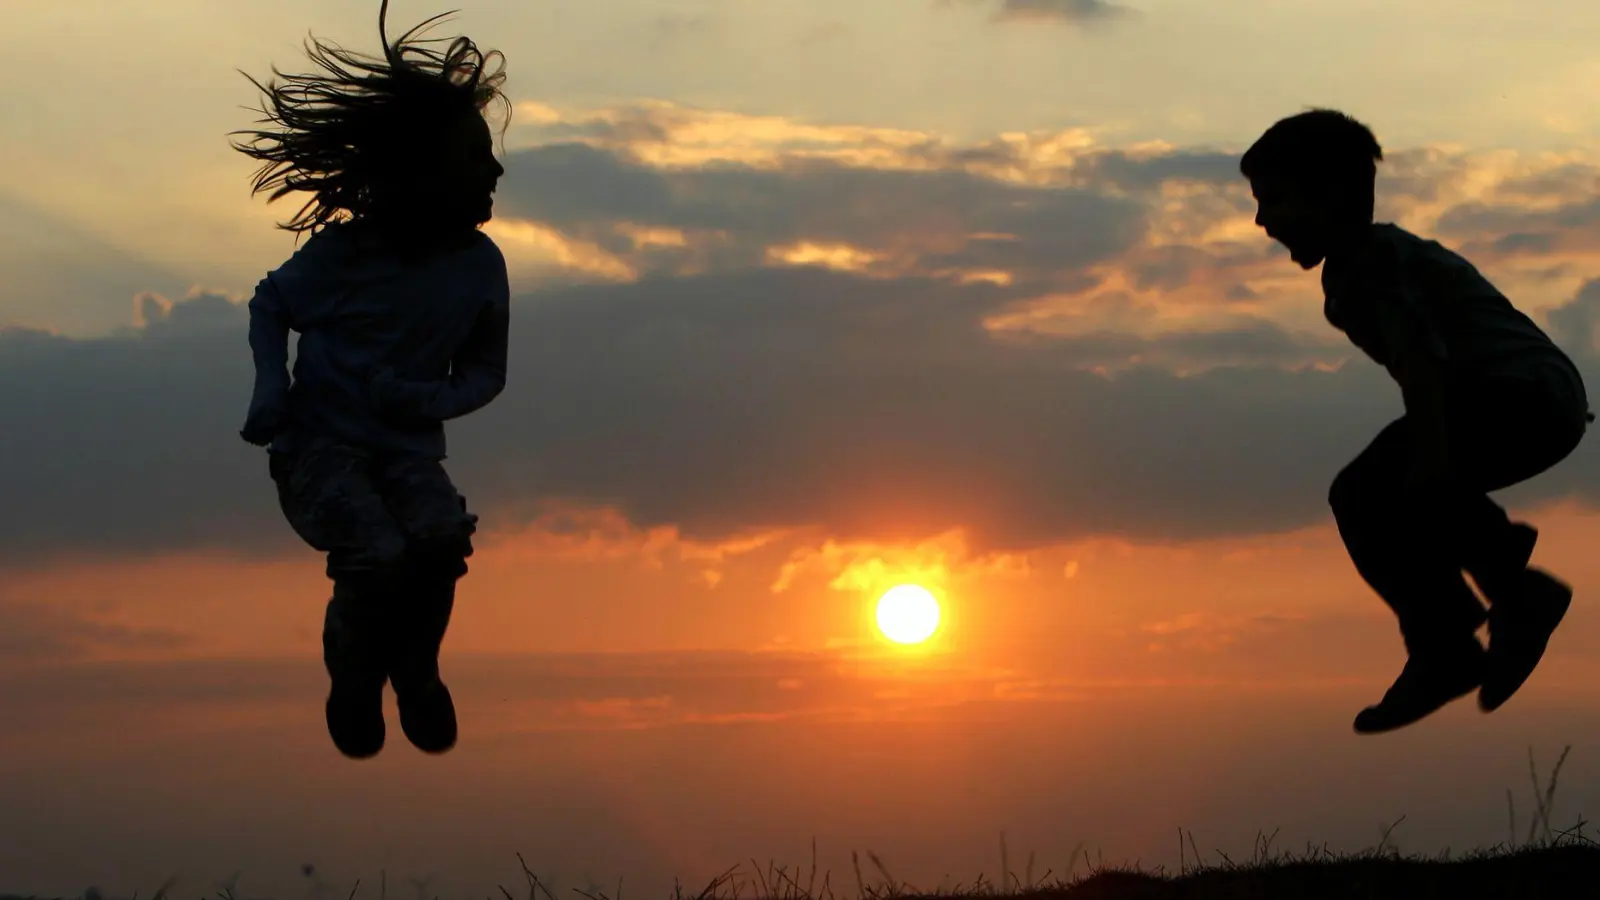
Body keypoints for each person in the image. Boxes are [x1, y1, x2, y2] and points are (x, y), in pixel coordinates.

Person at [1241, 109, 1590, 734]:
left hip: (1514, 396)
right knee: (1401, 491)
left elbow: (1423, 364)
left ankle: (1457, 641)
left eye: (1273, 201)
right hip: (1539, 397)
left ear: (1333, 195)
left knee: (1368, 489)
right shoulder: (1375, 260)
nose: (1262, 220)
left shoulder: (1368, 267)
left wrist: (1432, 459)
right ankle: (1495, 603)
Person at [231, 0, 511, 758]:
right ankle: (355, 679)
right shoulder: (343, 257)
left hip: (407, 452)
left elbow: (487, 369)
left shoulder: (479, 268)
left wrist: (429, 399)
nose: (495, 169)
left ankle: (416, 671)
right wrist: (271, 392)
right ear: (422, 171)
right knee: (378, 555)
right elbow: (270, 305)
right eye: (475, 156)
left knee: (438, 538)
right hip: (320, 449)